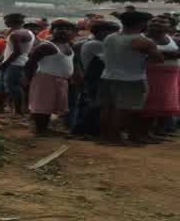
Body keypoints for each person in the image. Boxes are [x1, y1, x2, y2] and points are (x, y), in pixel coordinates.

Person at [99, 11, 164, 145]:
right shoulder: (142, 41)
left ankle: (106, 136)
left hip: (107, 76)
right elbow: (159, 59)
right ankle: (115, 138)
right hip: (132, 78)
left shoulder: (110, 37)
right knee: (124, 110)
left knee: (108, 108)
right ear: (141, 23)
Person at [25, 20, 77, 135]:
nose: (63, 31)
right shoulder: (46, 46)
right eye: (59, 28)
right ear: (52, 31)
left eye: (67, 29)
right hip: (45, 79)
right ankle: (40, 129)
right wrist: (28, 80)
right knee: (42, 105)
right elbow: (30, 64)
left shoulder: (69, 46)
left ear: (73, 32)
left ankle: (44, 128)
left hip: (60, 80)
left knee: (50, 105)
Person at [71, 20, 120, 137]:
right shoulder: (96, 44)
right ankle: (85, 129)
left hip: (96, 76)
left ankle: (85, 129)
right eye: (112, 33)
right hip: (95, 78)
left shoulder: (94, 43)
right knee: (93, 104)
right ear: (101, 32)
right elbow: (112, 60)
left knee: (92, 103)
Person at [140, 16, 180, 140]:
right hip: (148, 74)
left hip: (170, 76)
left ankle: (160, 130)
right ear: (148, 23)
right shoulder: (141, 38)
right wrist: (170, 55)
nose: (157, 23)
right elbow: (141, 54)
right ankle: (144, 132)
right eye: (153, 21)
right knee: (149, 103)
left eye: (162, 22)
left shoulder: (173, 40)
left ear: (169, 26)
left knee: (166, 102)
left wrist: (158, 54)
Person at [0, 13, 34, 116]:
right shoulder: (27, 32)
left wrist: (1, 65)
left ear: (10, 21)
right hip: (11, 63)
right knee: (1, 87)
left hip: (15, 64)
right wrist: (0, 62)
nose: (5, 22)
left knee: (13, 87)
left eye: (6, 20)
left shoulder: (15, 34)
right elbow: (8, 51)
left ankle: (18, 111)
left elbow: (17, 52)